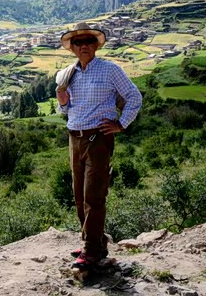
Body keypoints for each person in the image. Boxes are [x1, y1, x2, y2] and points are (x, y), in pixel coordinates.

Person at [56, 22, 142, 268]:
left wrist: (121, 124)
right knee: (79, 196)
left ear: (96, 45)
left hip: (98, 139)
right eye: (78, 42)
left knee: (94, 196)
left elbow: (134, 97)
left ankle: (92, 251)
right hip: (75, 137)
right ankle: (93, 241)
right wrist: (63, 102)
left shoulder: (110, 70)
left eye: (88, 41)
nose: (83, 46)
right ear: (72, 48)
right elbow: (66, 110)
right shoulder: (67, 75)